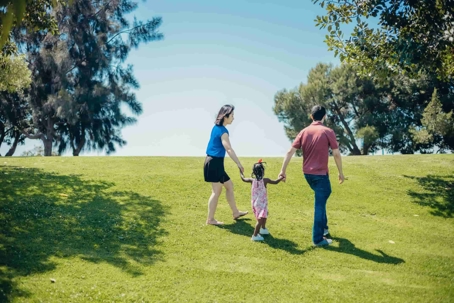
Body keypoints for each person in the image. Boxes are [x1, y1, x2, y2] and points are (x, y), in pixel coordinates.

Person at [278, 105, 345, 246]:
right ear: (324, 116)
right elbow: (337, 154)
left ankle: (324, 229)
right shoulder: (328, 131)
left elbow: (290, 151)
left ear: (311, 116)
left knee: (322, 198)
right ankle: (318, 239)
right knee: (320, 202)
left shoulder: (304, 132)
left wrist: (282, 171)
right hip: (320, 175)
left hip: (307, 175)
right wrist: (340, 173)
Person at [204, 104, 248, 225]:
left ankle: (235, 212)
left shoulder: (216, 128)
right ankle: (210, 219)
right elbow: (228, 148)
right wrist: (238, 163)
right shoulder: (223, 131)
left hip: (215, 162)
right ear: (225, 116)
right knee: (216, 191)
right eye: (232, 115)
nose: (233, 118)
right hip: (214, 163)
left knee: (229, 185)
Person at [240, 159, 284, 241]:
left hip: (256, 203)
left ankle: (263, 229)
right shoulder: (265, 180)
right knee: (260, 220)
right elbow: (275, 182)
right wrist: (281, 177)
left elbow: (243, 178)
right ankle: (255, 235)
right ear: (262, 171)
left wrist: (240, 172)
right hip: (261, 203)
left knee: (265, 215)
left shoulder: (251, 180)